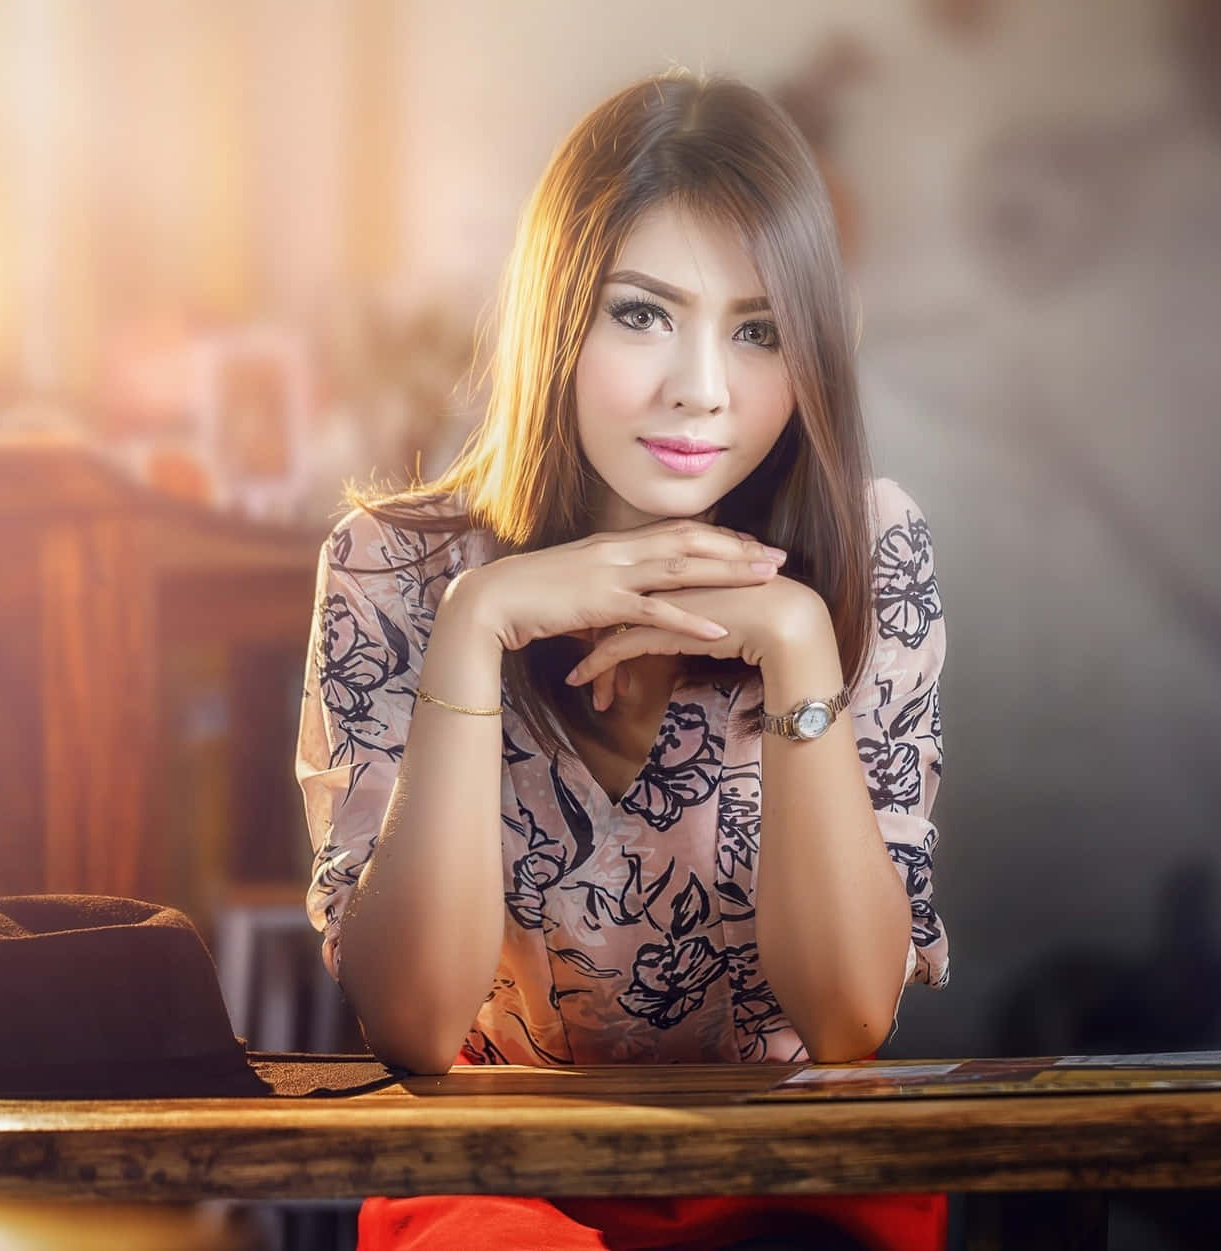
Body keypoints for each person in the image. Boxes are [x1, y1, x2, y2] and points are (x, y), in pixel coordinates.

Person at [294, 71, 949, 1251]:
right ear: (560, 313)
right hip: (493, 1176)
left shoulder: (868, 550)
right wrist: (476, 626)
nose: (699, 387)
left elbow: (852, 1020)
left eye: (757, 331)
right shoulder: (390, 565)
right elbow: (414, 1022)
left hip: (788, 1178)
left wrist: (799, 645)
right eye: (642, 313)